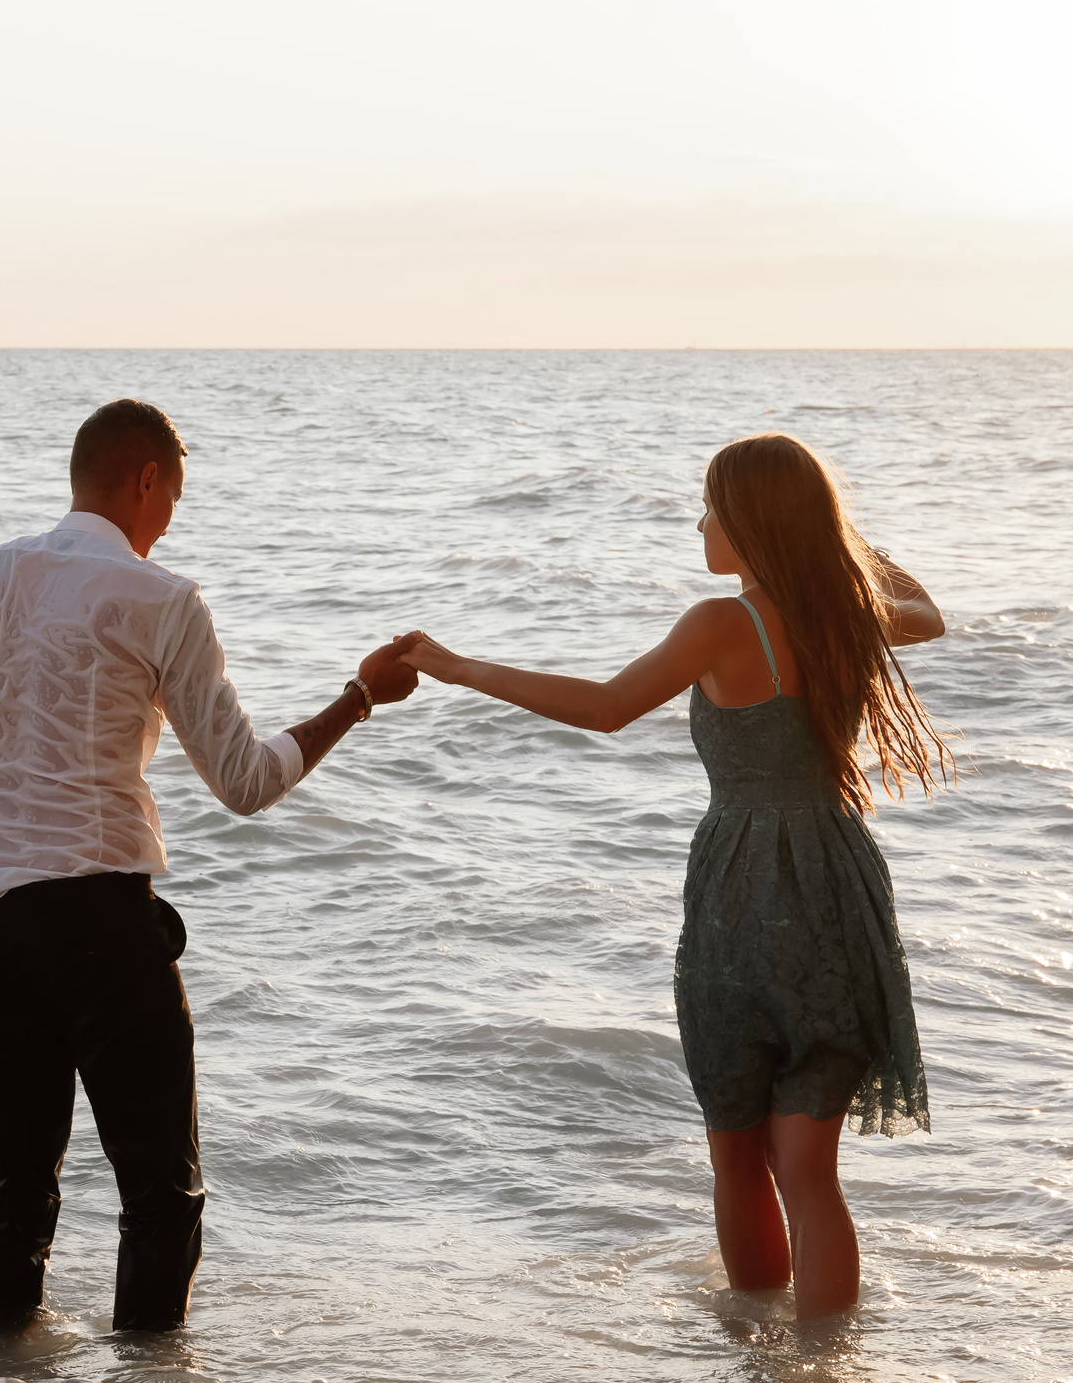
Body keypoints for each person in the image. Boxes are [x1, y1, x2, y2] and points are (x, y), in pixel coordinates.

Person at [0, 398, 419, 1333]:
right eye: (173, 497)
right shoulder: (162, 600)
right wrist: (359, 697)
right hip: (104, 932)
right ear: (147, 479)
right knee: (161, 1191)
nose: (170, 521)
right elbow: (246, 781)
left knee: (13, 1189)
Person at [399, 433, 951, 1318]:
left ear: (749, 521)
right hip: (841, 888)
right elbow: (926, 609)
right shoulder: (848, 611)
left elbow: (606, 708)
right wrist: (841, 541)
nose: (699, 524)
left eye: (711, 508)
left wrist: (457, 666)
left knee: (737, 1154)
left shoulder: (722, 624)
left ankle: (758, 1374)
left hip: (741, 897)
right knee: (810, 1172)